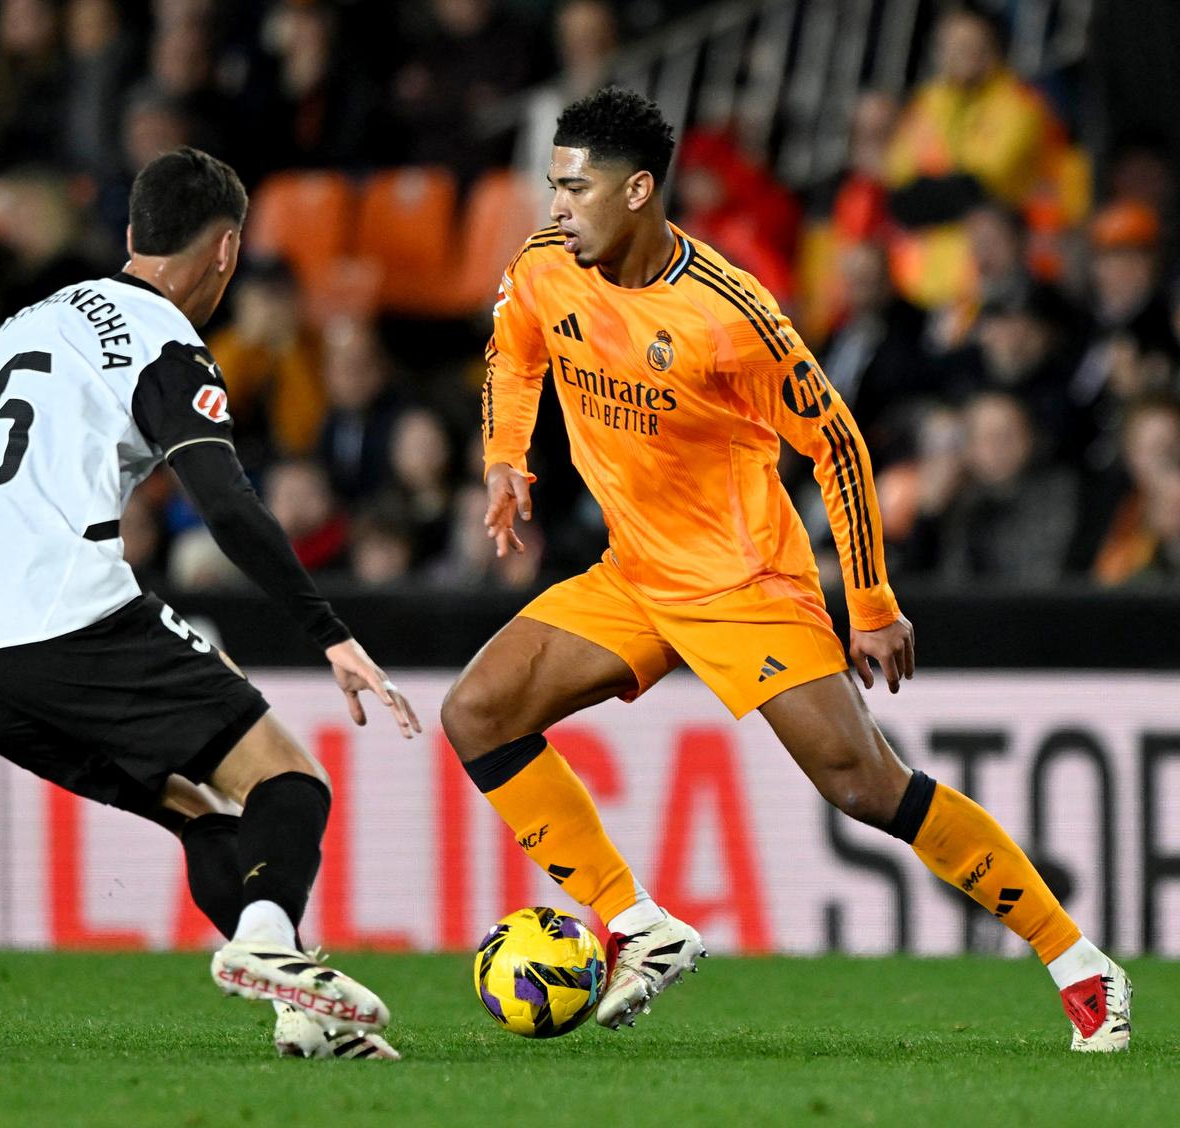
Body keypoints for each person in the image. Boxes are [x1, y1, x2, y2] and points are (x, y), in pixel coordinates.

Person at [441, 88, 1132, 1052]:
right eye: (553, 186)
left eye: (575, 187)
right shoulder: (548, 266)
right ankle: (641, 926)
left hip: (743, 584)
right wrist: (505, 457)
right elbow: (513, 357)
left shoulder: (731, 315)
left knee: (865, 788)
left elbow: (838, 445)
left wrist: (873, 603)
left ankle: (1079, 963)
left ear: (638, 191)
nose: (557, 206)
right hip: (633, 572)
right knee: (477, 713)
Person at [0, 147, 419, 1062]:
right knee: (287, 782)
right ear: (227, 250)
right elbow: (228, 504)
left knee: (199, 812)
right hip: (69, 621)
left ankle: (301, 1017)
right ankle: (271, 944)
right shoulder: (164, 344)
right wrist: (331, 634)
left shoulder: (28, 323)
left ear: (129, 236)